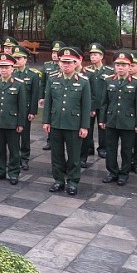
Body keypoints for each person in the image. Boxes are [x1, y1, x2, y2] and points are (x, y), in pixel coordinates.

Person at [42, 47, 91, 196]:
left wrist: (84, 126)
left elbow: (86, 106)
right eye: (63, 62)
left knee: (74, 156)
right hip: (56, 123)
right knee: (56, 155)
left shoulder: (83, 82)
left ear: (76, 63)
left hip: (73, 125)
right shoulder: (53, 79)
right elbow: (48, 102)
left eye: (69, 62)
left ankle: (73, 182)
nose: (66, 65)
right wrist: (46, 121)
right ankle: (58, 180)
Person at [99, 52, 137, 186]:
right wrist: (102, 119)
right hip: (112, 120)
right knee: (110, 148)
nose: (120, 68)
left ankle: (124, 174)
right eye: (118, 64)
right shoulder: (108, 81)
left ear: (130, 66)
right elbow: (104, 102)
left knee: (126, 149)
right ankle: (112, 172)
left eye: (124, 65)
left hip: (128, 122)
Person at [0, 53, 26, 185]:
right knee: (0, 150)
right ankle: (0, 171)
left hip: (12, 122)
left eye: (6, 67)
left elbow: (22, 106)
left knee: (14, 150)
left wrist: (21, 123)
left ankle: (13, 173)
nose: (3, 70)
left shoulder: (19, 84)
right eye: (1, 67)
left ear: (12, 68)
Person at [82, 42, 112, 165]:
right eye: (91, 54)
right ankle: (88, 149)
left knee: (103, 127)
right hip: (90, 105)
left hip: (103, 104)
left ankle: (102, 148)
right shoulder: (86, 71)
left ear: (102, 56)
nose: (93, 57)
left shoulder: (109, 72)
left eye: (96, 54)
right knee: (87, 127)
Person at [12, 46, 40, 171]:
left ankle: (24, 158)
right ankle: (14, 158)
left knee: (24, 136)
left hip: (26, 109)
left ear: (25, 59)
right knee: (13, 136)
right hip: (12, 110)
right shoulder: (11, 73)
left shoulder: (32, 75)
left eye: (19, 58)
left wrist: (33, 111)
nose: (16, 60)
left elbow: (35, 94)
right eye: (15, 58)